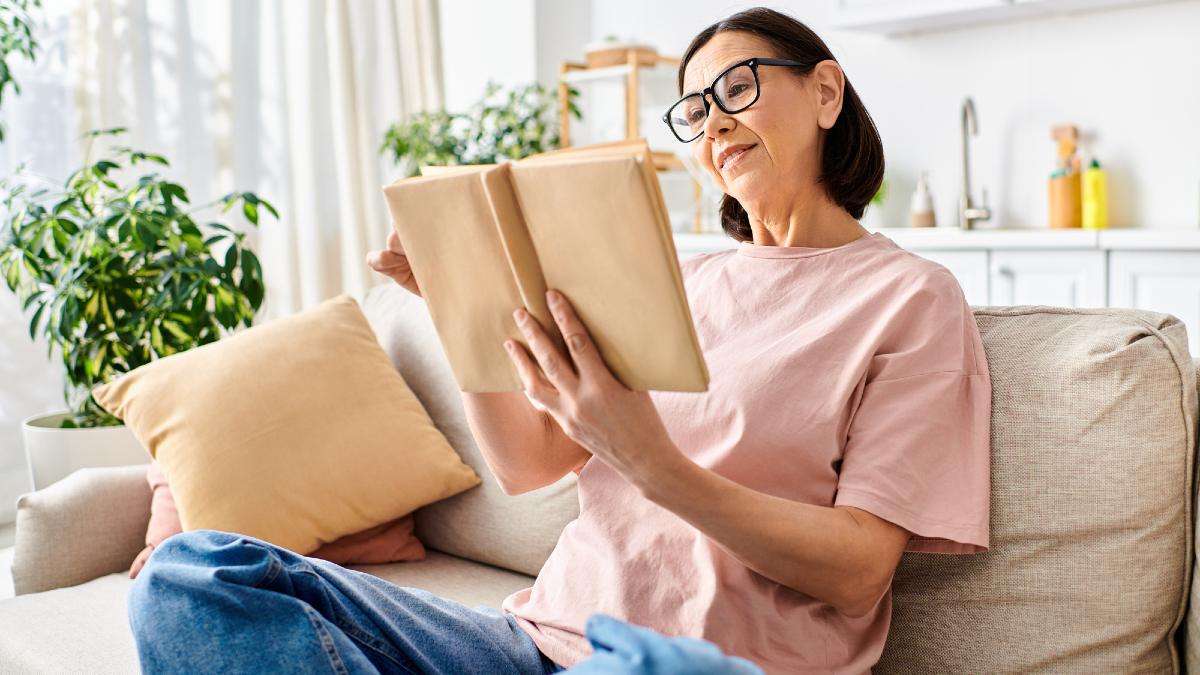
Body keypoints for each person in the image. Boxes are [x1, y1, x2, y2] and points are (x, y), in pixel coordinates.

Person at [128, 7, 990, 674]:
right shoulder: (678, 278)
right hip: (532, 642)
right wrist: (461, 304)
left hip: (695, 663)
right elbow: (529, 463)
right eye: (693, 109)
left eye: (738, 88)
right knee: (190, 576)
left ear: (826, 93)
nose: (714, 122)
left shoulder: (911, 299)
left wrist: (655, 462)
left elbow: (858, 572)